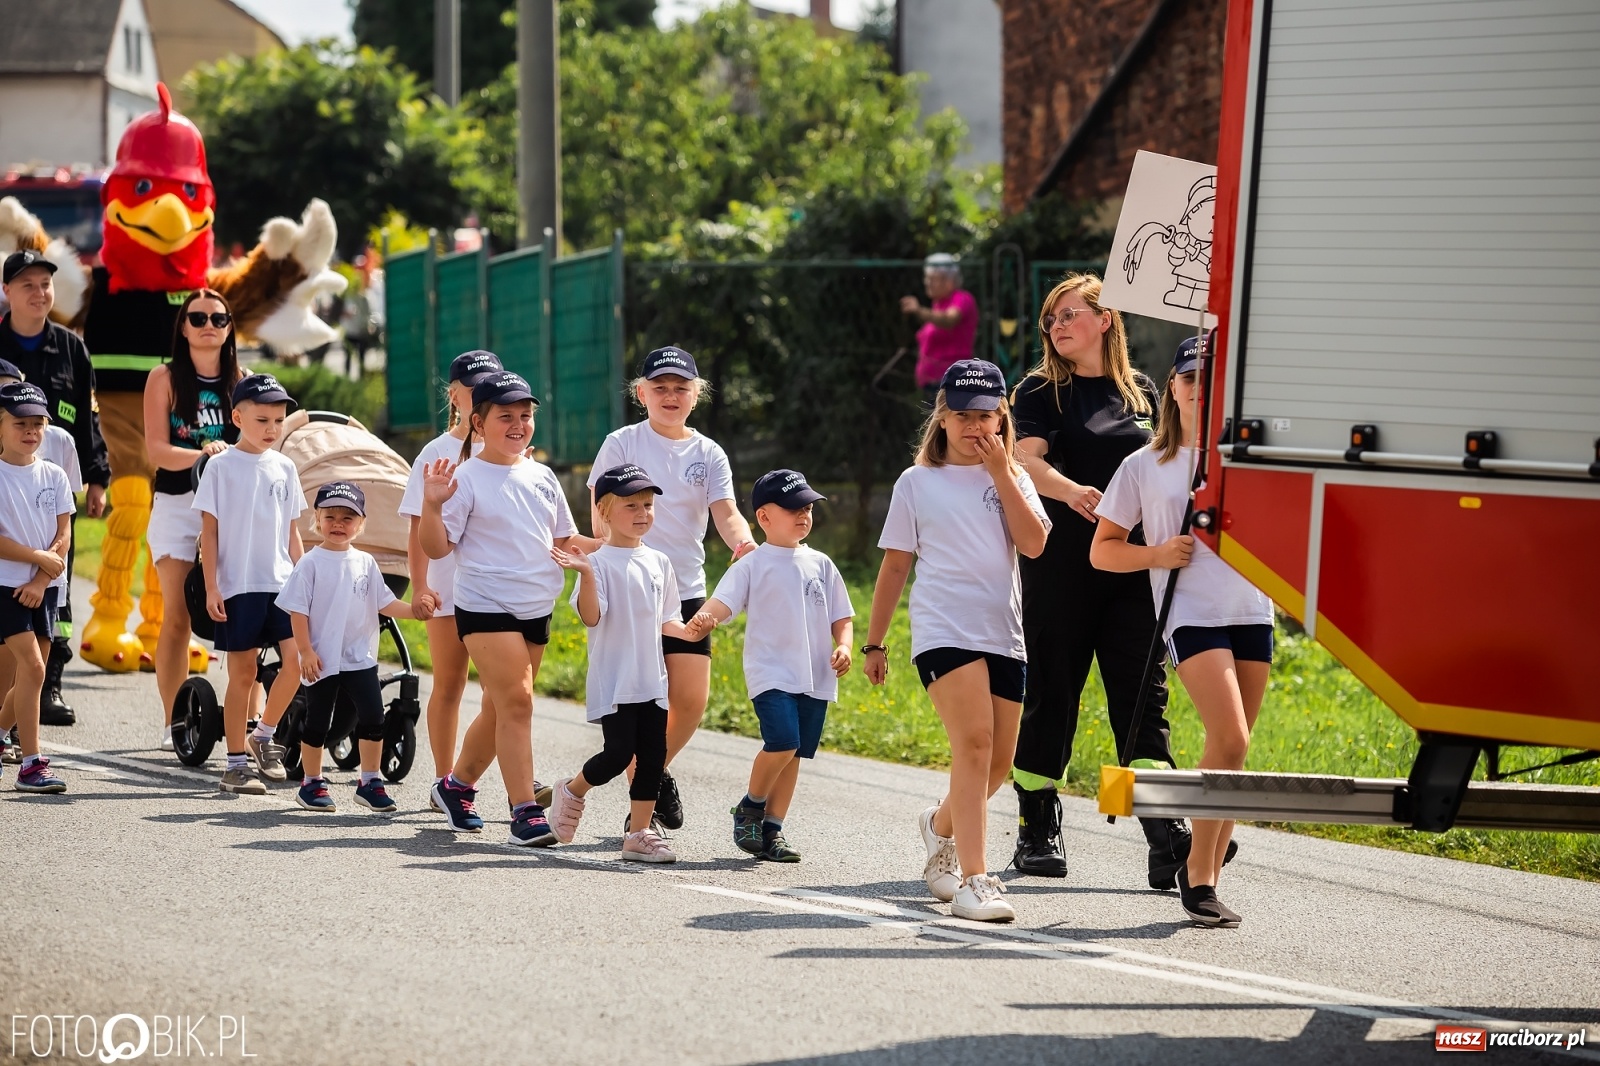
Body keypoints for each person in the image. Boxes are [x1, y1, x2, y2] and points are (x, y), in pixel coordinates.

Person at [1007, 273, 1200, 888]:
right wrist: (1072, 492)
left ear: (1105, 318)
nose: (1058, 326)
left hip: (1131, 570)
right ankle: (1037, 830)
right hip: (1060, 569)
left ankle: (1160, 833)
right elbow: (1023, 460)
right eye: (1051, 319)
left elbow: (1169, 458)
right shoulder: (1040, 390)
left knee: (1141, 699)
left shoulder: (1141, 391)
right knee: (1054, 694)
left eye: (1069, 314)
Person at [1090, 335, 1273, 927]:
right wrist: (1158, 554)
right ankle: (1196, 874)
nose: (1200, 388)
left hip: (1253, 610)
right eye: (1191, 378)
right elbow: (1102, 551)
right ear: (1173, 386)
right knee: (1232, 738)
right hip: (1190, 613)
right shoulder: (1144, 464)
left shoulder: (1247, 458)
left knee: (1233, 751)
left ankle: (1208, 874)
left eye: (1211, 379)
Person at [862, 360, 1049, 923]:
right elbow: (896, 566)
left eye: (986, 416)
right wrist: (875, 643)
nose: (975, 427)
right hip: (944, 629)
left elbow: (1034, 545)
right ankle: (975, 881)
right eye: (963, 415)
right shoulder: (917, 482)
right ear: (942, 418)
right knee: (973, 744)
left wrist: (1002, 475)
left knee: (998, 764)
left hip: (1003, 633)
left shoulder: (1014, 476)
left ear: (1002, 419)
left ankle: (938, 824)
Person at [420, 371, 598, 845]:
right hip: (484, 605)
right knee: (518, 702)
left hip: (536, 607)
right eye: (506, 416)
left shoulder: (542, 476)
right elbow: (437, 548)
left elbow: (564, 538)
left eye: (525, 415)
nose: (518, 424)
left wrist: (615, 546)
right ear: (478, 423)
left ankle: (456, 787)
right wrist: (432, 507)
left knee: (501, 708)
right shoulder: (465, 478)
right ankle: (525, 811)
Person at [587, 346, 756, 830]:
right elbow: (600, 512)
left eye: (681, 388)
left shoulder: (709, 453)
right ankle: (643, 808)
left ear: (696, 395)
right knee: (639, 704)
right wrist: (613, 562)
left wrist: (745, 545)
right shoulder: (621, 443)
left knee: (690, 701)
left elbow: (726, 512)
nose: (670, 396)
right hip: (631, 591)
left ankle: (653, 771)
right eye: (659, 387)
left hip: (685, 588)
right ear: (641, 394)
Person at [683, 469, 854, 863]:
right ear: (763, 517)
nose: (804, 515)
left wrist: (844, 645)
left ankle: (773, 831)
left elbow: (841, 616)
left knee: (795, 755)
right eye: (794, 508)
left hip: (815, 676)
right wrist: (705, 619)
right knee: (783, 743)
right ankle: (751, 806)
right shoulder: (752, 564)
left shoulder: (821, 563)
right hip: (771, 673)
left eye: (808, 508)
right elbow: (722, 603)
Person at [547, 464, 692, 863]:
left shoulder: (660, 561)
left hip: (652, 680)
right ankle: (572, 790)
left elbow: (668, 620)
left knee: (653, 758)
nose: (643, 513)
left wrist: (691, 630)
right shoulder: (597, 563)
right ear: (605, 512)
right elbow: (591, 616)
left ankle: (638, 834)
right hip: (616, 680)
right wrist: (586, 574)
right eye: (631, 505)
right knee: (617, 754)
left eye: (648, 505)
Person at [277, 482, 437, 813]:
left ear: (361, 524)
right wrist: (305, 651)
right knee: (318, 722)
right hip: (322, 659)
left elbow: (385, 602)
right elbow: (298, 611)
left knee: (374, 717)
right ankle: (311, 783)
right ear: (317, 520)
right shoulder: (310, 563)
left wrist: (415, 610)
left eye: (347, 518)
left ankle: (369, 782)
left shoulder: (365, 562)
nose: (338, 524)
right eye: (330, 516)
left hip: (360, 658)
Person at [0, 250, 110, 725]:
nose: (39, 293)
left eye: (45, 284)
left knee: (54, 589)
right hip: (5, 485)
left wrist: (98, 477)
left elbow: (88, 418)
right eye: (27, 284)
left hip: (52, 489)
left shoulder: (71, 348)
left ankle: (50, 686)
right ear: (7, 291)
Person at [143, 289, 247, 750]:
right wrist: (206, 453)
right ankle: (175, 721)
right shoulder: (164, 377)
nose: (209, 325)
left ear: (229, 328)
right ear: (183, 327)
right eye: (198, 317)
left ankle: (250, 723)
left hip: (232, 510)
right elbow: (157, 450)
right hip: (178, 504)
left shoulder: (244, 381)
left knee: (243, 615)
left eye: (218, 319)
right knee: (178, 616)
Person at [193, 373, 305, 794]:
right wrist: (212, 587)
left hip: (282, 584)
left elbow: (292, 533)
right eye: (262, 420)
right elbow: (209, 534)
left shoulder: (286, 467)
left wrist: (305, 580)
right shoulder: (220, 467)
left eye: (278, 420)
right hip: (238, 587)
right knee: (243, 673)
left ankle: (264, 735)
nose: (272, 429)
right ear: (238, 418)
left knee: (298, 662)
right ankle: (235, 765)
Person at [398, 349, 501, 792]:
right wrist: (419, 585)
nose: (482, 395)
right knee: (450, 683)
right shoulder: (436, 452)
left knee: (501, 692)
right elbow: (417, 527)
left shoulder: (509, 448)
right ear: (454, 396)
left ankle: (499, 777)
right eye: (472, 389)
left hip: (496, 590)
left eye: (490, 387)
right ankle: (445, 779)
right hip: (446, 588)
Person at [0, 382, 74, 793]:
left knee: (33, 675)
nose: (30, 431)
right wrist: (36, 560)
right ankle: (31, 764)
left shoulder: (54, 475)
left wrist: (43, 578)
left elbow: (64, 533)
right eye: (20, 423)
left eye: (38, 424)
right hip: (6, 586)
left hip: (45, 588)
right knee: (32, 668)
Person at [900, 253, 979, 407]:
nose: (927, 283)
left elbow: (949, 320)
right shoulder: (938, 305)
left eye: (932, 279)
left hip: (952, 382)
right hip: (933, 385)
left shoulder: (961, 298)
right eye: (927, 278)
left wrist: (918, 310)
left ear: (949, 281)